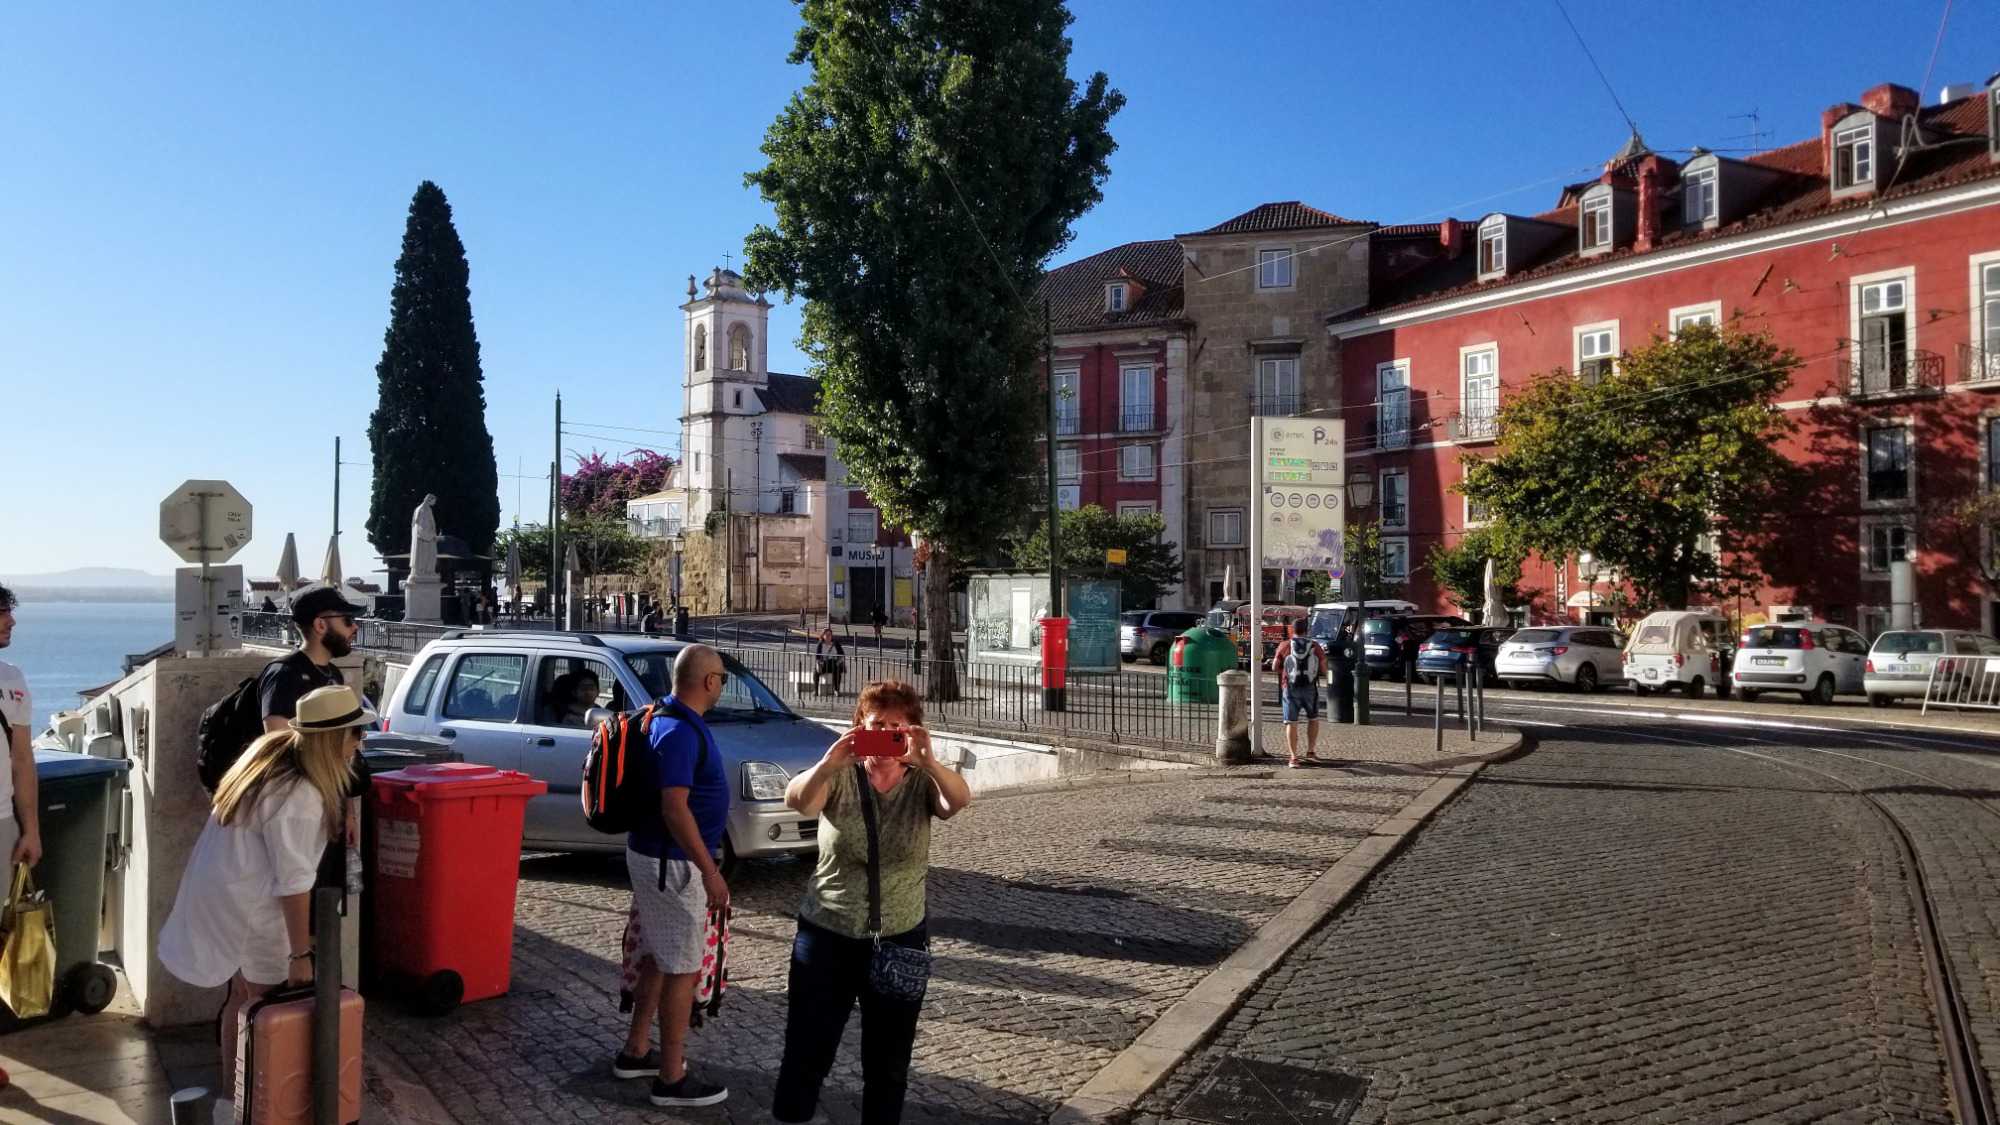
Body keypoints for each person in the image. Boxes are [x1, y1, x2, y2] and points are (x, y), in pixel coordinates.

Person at [157, 685, 374, 1120]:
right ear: (333, 738)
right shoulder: (300, 796)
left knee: (243, 1001)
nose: (361, 744)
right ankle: (262, 1108)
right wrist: (300, 955)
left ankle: (232, 1104)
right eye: (356, 734)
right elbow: (294, 884)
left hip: (226, 898)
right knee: (268, 1011)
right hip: (252, 911)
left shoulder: (272, 764)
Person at [774, 680, 973, 1124]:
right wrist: (827, 764)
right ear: (858, 726)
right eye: (875, 724)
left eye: (894, 727)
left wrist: (929, 761)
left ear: (911, 731)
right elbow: (798, 801)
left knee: (889, 1062)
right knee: (807, 1049)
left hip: (900, 938)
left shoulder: (921, 781)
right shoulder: (840, 775)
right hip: (828, 934)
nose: (883, 734)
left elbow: (958, 800)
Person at [615, 644, 732, 1109]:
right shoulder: (680, 731)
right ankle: (671, 1077)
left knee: (659, 957)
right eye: (721, 677)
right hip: (673, 866)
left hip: (659, 859)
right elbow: (674, 808)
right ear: (709, 681)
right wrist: (710, 871)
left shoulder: (662, 718)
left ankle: (636, 1051)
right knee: (683, 967)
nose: (722, 685)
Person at [261, 588, 361, 735]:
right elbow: (278, 742)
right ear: (320, 625)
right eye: (347, 620)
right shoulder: (285, 675)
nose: (355, 627)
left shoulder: (334, 674)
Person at [0, 586, 45, 903]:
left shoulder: (13, 679)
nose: (11, 621)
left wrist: (31, 830)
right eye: (2, 612)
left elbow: (22, 759)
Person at [1270, 617, 1327, 768]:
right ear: (1306, 630)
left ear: (1292, 630)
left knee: (1291, 722)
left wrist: (1286, 672)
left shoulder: (1285, 645)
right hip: (1310, 688)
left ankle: (1293, 757)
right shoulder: (1314, 645)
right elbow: (1323, 669)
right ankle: (1311, 752)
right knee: (1313, 719)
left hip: (1289, 688)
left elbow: (1274, 667)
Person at [1328, 620, 1358, 725]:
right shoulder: (1348, 643)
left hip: (1336, 668)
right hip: (1341, 668)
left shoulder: (1334, 643)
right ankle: (1342, 715)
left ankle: (1337, 715)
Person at [814, 626, 846, 695]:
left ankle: (836, 690)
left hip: (834, 663)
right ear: (823, 636)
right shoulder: (820, 644)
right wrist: (818, 663)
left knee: (837, 670)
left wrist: (838, 662)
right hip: (824, 664)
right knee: (815, 672)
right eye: (826, 635)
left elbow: (842, 654)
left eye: (830, 635)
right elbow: (817, 657)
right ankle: (816, 690)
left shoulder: (836, 643)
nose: (828, 636)